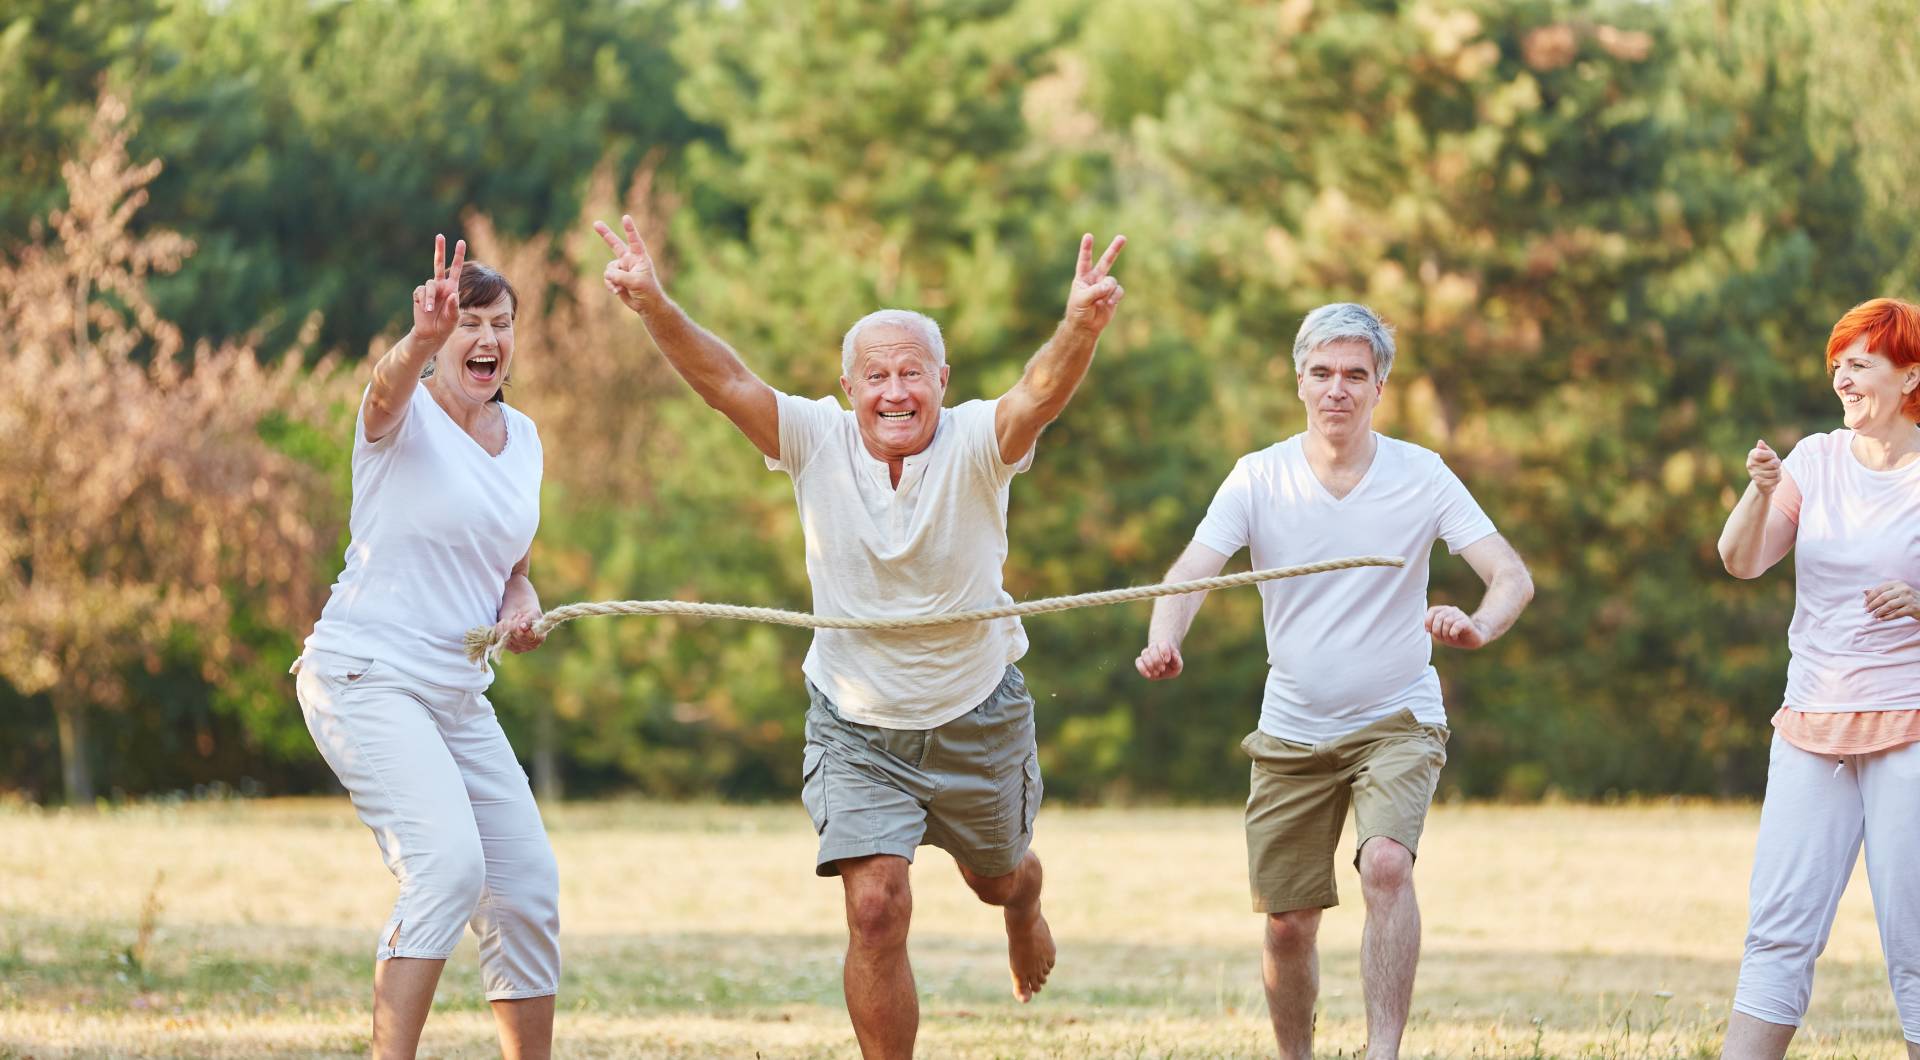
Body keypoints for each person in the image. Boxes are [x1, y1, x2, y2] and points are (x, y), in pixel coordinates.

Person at [593, 214, 1124, 1059]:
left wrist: (1079, 325)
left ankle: (1024, 905)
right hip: (855, 721)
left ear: (943, 380)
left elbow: (1038, 392)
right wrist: (655, 304)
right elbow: (725, 381)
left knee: (996, 878)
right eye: (875, 375)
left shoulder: (979, 444)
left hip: (975, 711)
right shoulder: (814, 441)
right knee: (875, 907)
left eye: (912, 372)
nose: (895, 392)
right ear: (848, 390)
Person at [1134, 302, 1533, 1060]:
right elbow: (1193, 571)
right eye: (1322, 374)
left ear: (1381, 385)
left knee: (1386, 865)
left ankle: (1382, 1052)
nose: (1337, 390)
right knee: (1288, 923)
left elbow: (1510, 576)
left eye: (1355, 374)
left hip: (1397, 716)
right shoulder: (1259, 477)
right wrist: (1164, 639)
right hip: (1293, 722)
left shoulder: (1422, 475)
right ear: (1299, 382)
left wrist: (1478, 624)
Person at [296, 235, 559, 1060]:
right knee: (446, 870)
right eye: (469, 323)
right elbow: (381, 391)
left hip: (456, 691)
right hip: (366, 675)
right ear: (444, 336)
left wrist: (522, 603)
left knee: (524, 890)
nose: (486, 340)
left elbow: (510, 565)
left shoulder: (525, 442)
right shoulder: (398, 418)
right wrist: (415, 339)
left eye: (502, 324)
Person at [1716, 297, 1920, 1060]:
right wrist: (1762, 489)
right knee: (1779, 925)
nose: (1842, 377)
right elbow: (1741, 560)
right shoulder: (1815, 459)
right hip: (1812, 723)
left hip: (1910, 724)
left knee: (1915, 936)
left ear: (1909, 377)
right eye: (1837, 364)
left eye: (1861, 363)